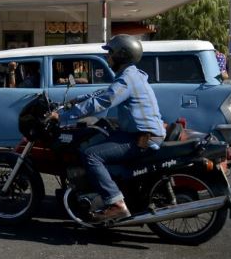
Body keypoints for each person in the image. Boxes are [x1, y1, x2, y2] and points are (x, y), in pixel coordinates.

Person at [50, 34, 165, 222]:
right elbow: (104, 92)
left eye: (110, 53)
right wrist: (77, 100)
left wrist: (63, 116)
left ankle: (116, 204)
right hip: (139, 133)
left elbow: (104, 101)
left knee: (91, 154)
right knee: (101, 132)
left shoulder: (127, 79)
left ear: (121, 55)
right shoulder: (131, 75)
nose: (107, 57)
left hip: (143, 137)